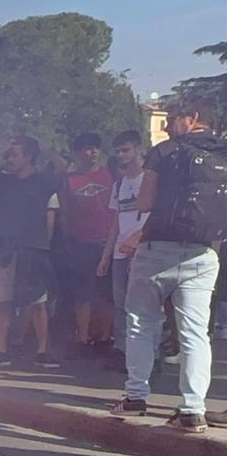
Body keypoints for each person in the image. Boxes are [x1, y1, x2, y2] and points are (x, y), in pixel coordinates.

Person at [112, 98, 226, 431]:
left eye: (172, 118)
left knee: (141, 322)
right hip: (204, 253)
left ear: (192, 118)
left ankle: (135, 397)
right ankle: (192, 409)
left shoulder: (165, 151)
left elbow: (146, 201)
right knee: (195, 334)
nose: (166, 125)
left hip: (158, 249)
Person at [0, 136, 63, 369]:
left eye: (14, 155)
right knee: (2, 300)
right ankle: (1, 351)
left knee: (38, 302)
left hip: (34, 248)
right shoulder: (3, 181)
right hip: (6, 248)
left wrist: (46, 147)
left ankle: (42, 351)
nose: (10, 159)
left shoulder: (42, 181)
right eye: (9, 156)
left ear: (28, 156)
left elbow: (62, 167)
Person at [59, 133, 116, 350]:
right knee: (83, 293)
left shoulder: (110, 176)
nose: (92, 152)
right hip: (80, 242)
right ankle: (83, 337)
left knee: (106, 294)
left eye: (95, 148)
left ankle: (104, 337)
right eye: (87, 148)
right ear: (77, 154)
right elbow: (64, 213)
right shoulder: (70, 180)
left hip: (106, 243)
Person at [97, 130, 150, 362]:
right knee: (120, 304)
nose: (121, 155)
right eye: (118, 151)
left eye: (126, 150)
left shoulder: (150, 179)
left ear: (138, 148)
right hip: (120, 252)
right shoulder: (120, 184)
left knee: (143, 306)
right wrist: (105, 256)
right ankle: (123, 350)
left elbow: (157, 216)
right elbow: (115, 223)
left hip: (145, 251)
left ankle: (148, 353)